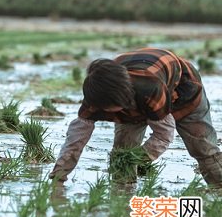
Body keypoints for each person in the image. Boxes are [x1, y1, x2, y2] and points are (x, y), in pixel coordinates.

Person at [49, 48, 222, 187]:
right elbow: (75, 140)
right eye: (106, 109)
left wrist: (138, 158)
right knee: (122, 149)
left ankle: (219, 186)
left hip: (183, 88)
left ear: (124, 98)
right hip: (138, 86)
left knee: (202, 147)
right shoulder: (96, 97)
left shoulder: (149, 88)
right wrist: (59, 176)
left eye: (113, 108)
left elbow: (164, 134)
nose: (109, 114)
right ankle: (122, 193)